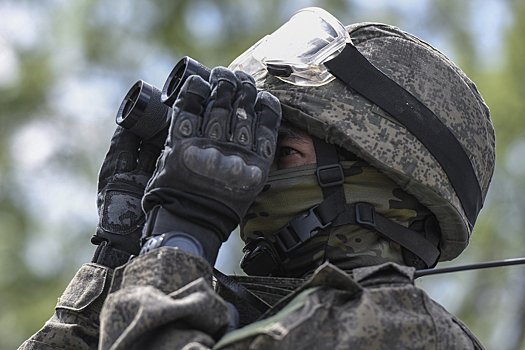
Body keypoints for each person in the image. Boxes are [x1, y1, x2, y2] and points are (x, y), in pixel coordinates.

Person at [19, 7, 494, 350]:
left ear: (383, 183)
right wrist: (119, 262)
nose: (251, 182)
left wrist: (178, 239)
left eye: (281, 153)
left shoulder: (402, 329)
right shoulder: (237, 309)